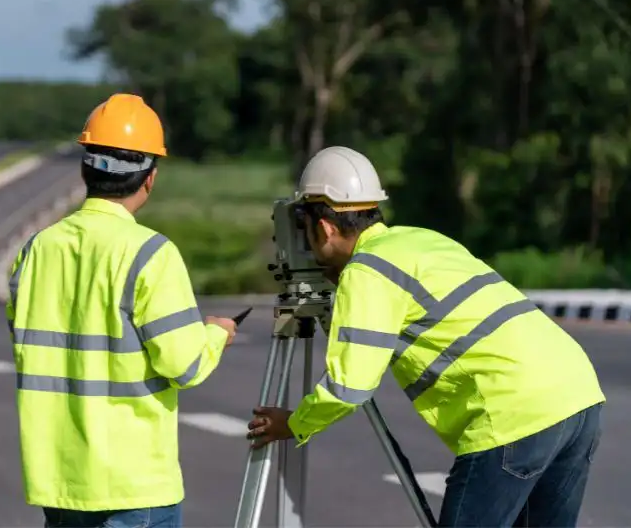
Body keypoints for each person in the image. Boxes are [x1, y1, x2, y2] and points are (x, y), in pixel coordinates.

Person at [246, 145, 605, 527]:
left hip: (513, 412)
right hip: (578, 397)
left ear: (324, 227)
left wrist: (295, 424)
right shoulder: (418, 239)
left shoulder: (367, 272)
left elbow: (350, 388)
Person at [6, 93, 238, 528]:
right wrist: (215, 334)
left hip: (59, 486)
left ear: (85, 169)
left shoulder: (36, 250)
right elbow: (185, 365)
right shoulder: (151, 254)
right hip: (133, 490)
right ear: (150, 177)